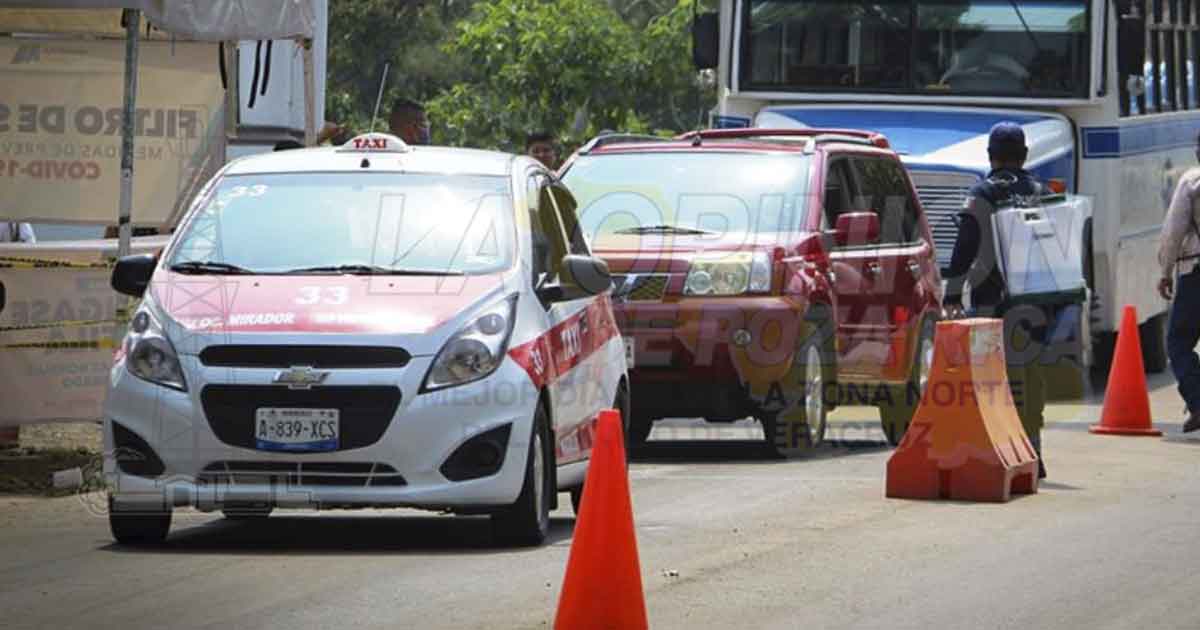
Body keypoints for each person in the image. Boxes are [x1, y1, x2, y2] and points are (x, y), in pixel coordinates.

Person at [944, 121, 1048, 478]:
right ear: (1024, 156)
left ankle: (1003, 454)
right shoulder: (1040, 191)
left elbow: (965, 246)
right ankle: (1034, 452)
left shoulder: (982, 193)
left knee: (995, 381)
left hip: (993, 303)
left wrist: (952, 293)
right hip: (1037, 302)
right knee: (1030, 377)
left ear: (990, 156)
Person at [1157, 130, 1200, 433]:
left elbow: (1173, 233)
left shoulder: (1192, 182)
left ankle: (1198, 403)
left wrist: (1165, 272)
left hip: (1195, 273)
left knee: (1178, 341)